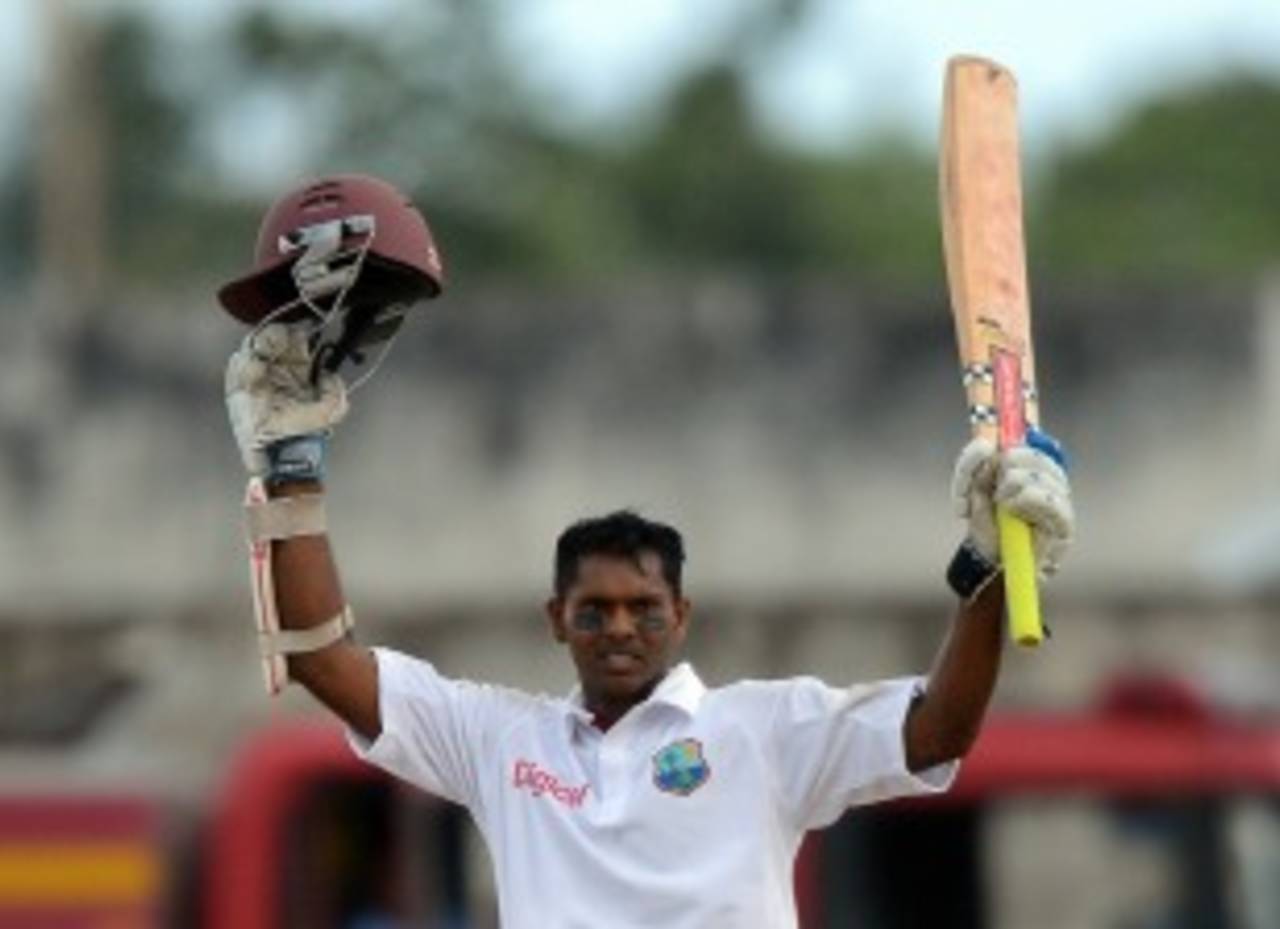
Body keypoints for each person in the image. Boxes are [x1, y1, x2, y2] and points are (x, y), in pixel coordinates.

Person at [221, 175, 1074, 929]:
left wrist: (987, 574)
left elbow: (937, 730)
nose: (619, 628)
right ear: (557, 619)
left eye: (643, 608)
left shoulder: (764, 733)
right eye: (594, 610)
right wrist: (293, 469)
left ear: (681, 616)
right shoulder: (502, 743)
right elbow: (324, 662)